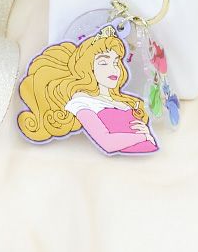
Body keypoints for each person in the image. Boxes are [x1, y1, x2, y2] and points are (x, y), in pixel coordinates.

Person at [16, 26, 157, 156]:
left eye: (115, 62)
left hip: (151, 159)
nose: (113, 69)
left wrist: (148, 135)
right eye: (103, 63)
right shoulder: (81, 102)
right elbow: (107, 143)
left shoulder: (123, 100)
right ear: (89, 67)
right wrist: (142, 137)